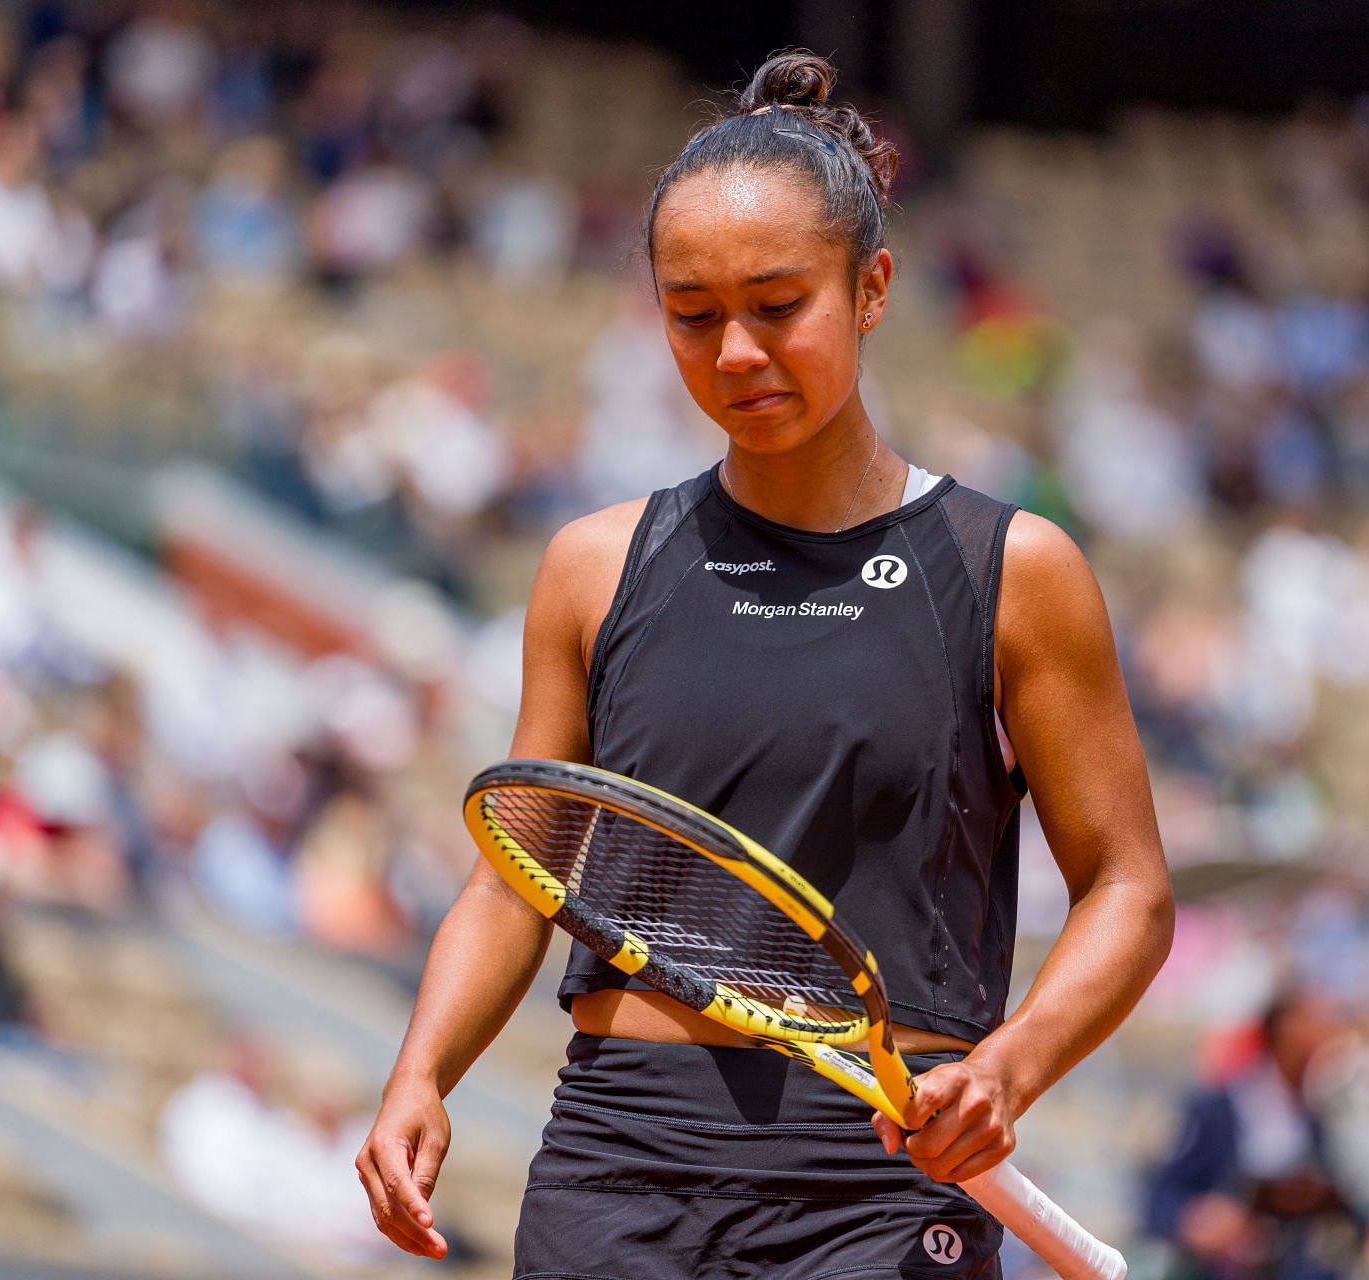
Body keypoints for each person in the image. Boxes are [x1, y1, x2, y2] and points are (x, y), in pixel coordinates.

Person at [357, 51, 1174, 1277]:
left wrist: (1013, 1063)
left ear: (873, 289)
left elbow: (1130, 887)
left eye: (778, 304)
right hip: (612, 1164)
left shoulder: (1013, 568)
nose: (735, 351)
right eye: (692, 314)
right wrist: (421, 1069)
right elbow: (514, 874)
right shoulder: (593, 565)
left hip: (880, 1185)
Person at [1141, 990, 1369, 1280]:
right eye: (1315, 1024)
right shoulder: (1216, 1110)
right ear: (1284, 1031)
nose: (1328, 1037)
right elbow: (1157, 1199)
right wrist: (1193, 1219)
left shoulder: (1312, 1120)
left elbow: (1339, 1194)